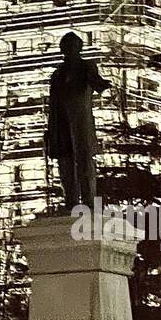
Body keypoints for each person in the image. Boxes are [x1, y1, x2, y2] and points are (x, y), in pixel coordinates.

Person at [46, 32, 111, 209]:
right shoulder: (57, 74)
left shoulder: (86, 66)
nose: (70, 50)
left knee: (84, 160)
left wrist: (104, 84)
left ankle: (89, 201)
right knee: (65, 162)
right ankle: (71, 201)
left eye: (73, 46)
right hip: (60, 123)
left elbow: (95, 82)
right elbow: (52, 103)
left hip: (80, 121)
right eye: (67, 46)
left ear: (79, 48)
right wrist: (50, 130)